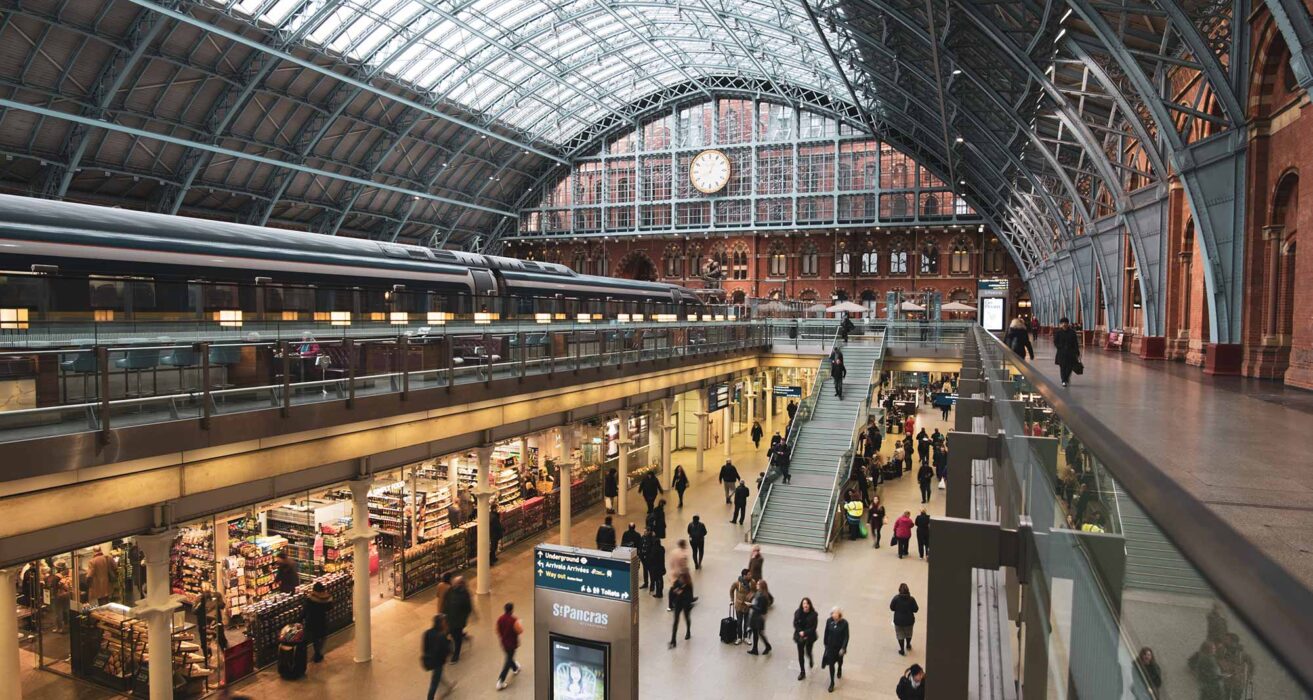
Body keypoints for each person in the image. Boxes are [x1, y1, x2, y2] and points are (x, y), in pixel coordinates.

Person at [443, 576, 475, 662]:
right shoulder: (450, 591)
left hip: (458, 621)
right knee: (447, 634)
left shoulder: (464, 594)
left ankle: (456, 654)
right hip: (449, 618)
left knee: (457, 638)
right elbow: (445, 602)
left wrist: (462, 617)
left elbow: (468, 608)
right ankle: (448, 650)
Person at [423, 615, 453, 700]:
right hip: (438, 662)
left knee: (439, 675)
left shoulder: (428, 632)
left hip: (430, 660)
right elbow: (447, 650)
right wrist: (449, 641)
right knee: (434, 682)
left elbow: (425, 647)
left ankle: (448, 686)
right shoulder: (442, 636)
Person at [494, 602, 523, 690]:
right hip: (512, 643)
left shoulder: (500, 619)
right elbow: (520, 631)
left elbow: (497, 630)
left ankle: (515, 668)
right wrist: (520, 624)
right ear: (512, 610)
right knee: (508, 661)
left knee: (509, 657)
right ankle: (500, 681)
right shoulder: (514, 620)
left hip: (504, 643)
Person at [303, 581, 333, 663]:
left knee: (315, 638)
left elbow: (305, 610)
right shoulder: (326, 598)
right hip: (322, 620)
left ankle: (317, 653)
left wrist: (300, 619)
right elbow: (330, 607)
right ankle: (318, 652)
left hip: (311, 620)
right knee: (323, 636)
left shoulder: (310, 598)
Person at [822, 607, 850, 693]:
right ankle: (832, 682)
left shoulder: (844, 623)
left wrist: (843, 648)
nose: (833, 615)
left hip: (839, 648)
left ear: (839, 614)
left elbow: (846, 637)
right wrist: (825, 643)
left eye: (835, 613)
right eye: (832, 613)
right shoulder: (829, 621)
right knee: (831, 665)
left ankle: (839, 668)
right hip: (830, 648)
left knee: (840, 661)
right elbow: (826, 632)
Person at [793, 597, 819, 681]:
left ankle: (810, 658)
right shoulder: (798, 613)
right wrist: (800, 631)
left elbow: (814, 627)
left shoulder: (814, 614)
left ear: (810, 605)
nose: (805, 605)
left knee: (808, 651)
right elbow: (795, 624)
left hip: (809, 636)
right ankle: (802, 672)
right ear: (802, 605)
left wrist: (805, 633)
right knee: (800, 654)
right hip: (799, 636)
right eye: (804, 603)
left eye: (807, 604)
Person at [890, 583, 919, 655]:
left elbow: (891, 608)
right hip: (909, 620)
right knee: (909, 634)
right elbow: (916, 609)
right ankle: (908, 645)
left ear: (899, 590)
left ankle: (902, 650)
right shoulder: (911, 599)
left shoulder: (896, 598)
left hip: (898, 620)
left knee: (900, 635)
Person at [747, 579, 773, 655]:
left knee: (760, 633)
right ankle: (755, 649)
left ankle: (767, 646)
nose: (756, 585)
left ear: (762, 586)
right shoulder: (759, 593)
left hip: (759, 618)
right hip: (756, 617)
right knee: (756, 633)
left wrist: (751, 606)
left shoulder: (763, 597)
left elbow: (761, 610)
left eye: (758, 584)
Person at [667, 572, 694, 648]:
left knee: (686, 618)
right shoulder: (677, 582)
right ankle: (673, 640)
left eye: (682, 579)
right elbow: (672, 592)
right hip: (678, 603)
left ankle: (688, 631)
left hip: (685, 604)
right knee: (675, 621)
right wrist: (672, 603)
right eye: (680, 578)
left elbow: (690, 597)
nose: (681, 580)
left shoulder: (688, 586)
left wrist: (681, 593)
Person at [1053, 317, 1082, 387]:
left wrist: (1077, 352)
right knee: (1062, 367)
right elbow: (1055, 342)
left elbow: (1075, 343)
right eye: (1062, 323)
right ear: (1060, 324)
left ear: (1068, 324)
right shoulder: (1058, 332)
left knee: (1069, 367)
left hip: (1070, 353)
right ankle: (1063, 380)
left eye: (1065, 323)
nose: (1064, 324)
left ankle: (1066, 378)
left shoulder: (1072, 332)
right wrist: (1060, 347)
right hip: (1061, 353)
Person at [730, 569, 754, 644]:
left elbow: (755, 591)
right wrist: (732, 600)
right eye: (749, 575)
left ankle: (746, 637)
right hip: (739, 606)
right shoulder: (737, 583)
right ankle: (739, 637)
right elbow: (731, 590)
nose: (750, 576)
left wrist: (751, 597)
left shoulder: (752, 582)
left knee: (746, 622)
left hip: (747, 606)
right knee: (739, 622)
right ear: (744, 576)